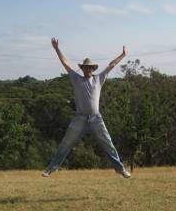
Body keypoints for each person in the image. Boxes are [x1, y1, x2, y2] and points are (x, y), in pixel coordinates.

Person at [42, 37, 131, 178]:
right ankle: (51, 168)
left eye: (90, 67)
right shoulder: (76, 78)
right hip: (80, 118)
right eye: (85, 67)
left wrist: (123, 55)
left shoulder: (99, 79)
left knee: (108, 143)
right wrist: (57, 48)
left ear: (93, 69)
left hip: (96, 118)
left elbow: (111, 65)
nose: (88, 69)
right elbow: (66, 63)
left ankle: (120, 169)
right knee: (66, 143)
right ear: (83, 69)